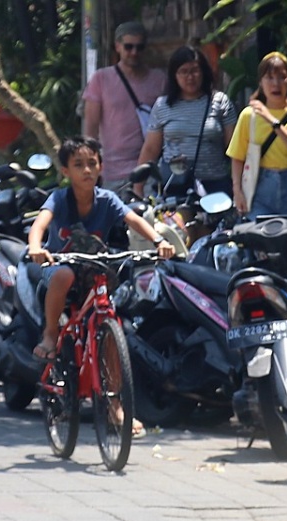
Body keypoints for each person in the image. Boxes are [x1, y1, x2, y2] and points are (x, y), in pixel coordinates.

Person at [28, 136, 175, 364]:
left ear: (101, 167)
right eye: (78, 165)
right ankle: (50, 333)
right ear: (65, 171)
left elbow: (133, 220)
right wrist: (36, 247)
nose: (87, 170)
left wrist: (159, 241)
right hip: (58, 264)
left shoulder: (108, 199)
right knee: (64, 274)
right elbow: (40, 224)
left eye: (92, 163)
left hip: (94, 266)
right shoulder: (58, 198)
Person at [136, 46, 238, 197]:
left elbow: (234, 148)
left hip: (215, 185)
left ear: (204, 72)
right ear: (174, 75)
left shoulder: (220, 101)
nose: (190, 77)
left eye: (195, 71)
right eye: (183, 71)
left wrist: (238, 186)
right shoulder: (162, 105)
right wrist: (138, 187)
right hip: (175, 185)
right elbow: (151, 149)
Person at [226, 51, 287, 218]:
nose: (276, 84)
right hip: (260, 187)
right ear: (261, 82)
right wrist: (237, 191)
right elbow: (237, 157)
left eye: (282, 77)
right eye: (270, 78)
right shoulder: (249, 115)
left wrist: (272, 121)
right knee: (258, 240)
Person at [82, 21, 166, 191]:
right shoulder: (101, 79)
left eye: (139, 47)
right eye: (128, 47)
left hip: (151, 170)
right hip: (113, 173)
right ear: (117, 46)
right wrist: (91, 167)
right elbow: (90, 128)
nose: (134, 52)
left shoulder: (160, 80)